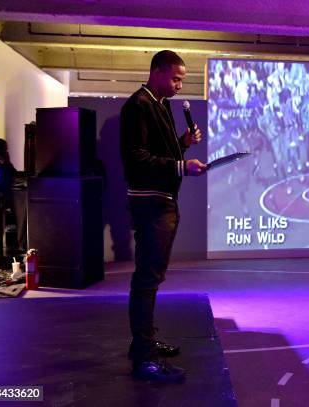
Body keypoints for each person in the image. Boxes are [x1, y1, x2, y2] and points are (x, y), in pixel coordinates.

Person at [120, 50, 206, 382]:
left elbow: (159, 153)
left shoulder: (161, 105)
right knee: (146, 279)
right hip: (151, 204)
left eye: (182, 79)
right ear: (156, 72)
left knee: (152, 278)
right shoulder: (138, 105)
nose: (180, 85)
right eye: (176, 78)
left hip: (164, 201)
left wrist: (181, 144)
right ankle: (143, 359)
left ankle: (143, 343)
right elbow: (135, 159)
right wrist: (181, 165)